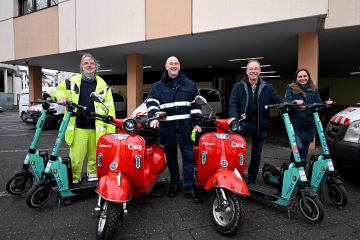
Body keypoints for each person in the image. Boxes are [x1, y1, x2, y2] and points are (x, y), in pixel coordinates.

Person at [53, 54, 116, 205]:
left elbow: (110, 109)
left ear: (96, 66)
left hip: (97, 128)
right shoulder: (71, 82)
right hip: (79, 127)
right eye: (86, 63)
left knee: (95, 158)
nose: (89, 65)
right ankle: (72, 187)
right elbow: (56, 91)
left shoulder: (103, 85)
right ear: (82, 66)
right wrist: (60, 97)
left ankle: (93, 183)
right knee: (76, 158)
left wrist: (111, 131)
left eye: (91, 63)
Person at [229, 60, 298, 184]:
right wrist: (234, 121)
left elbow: (277, 100)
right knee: (235, 151)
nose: (253, 71)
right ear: (247, 71)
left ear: (260, 71)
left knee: (256, 155)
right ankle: (235, 176)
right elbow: (233, 103)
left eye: (256, 69)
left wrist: (291, 103)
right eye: (251, 69)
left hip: (260, 125)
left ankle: (252, 179)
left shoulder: (267, 87)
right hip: (244, 123)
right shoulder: (238, 86)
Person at [146, 56, 203, 203]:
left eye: (176, 63)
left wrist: (197, 122)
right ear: (166, 66)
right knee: (171, 160)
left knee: (188, 159)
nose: (173, 66)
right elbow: (152, 103)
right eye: (171, 64)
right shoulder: (157, 86)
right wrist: (153, 118)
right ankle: (175, 185)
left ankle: (190, 188)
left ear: (179, 65)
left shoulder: (190, 85)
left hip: (186, 128)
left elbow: (196, 105)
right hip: (167, 128)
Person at [285, 68, 332, 168]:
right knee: (299, 147)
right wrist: (294, 103)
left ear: (308, 77)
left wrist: (326, 106)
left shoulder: (313, 89)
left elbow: (318, 107)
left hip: (309, 124)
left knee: (304, 151)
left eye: (305, 76)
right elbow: (287, 102)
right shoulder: (290, 87)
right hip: (295, 123)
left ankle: (301, 173)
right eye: (300, 76)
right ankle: (292, 169)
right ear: (296, 78)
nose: (303, 78)